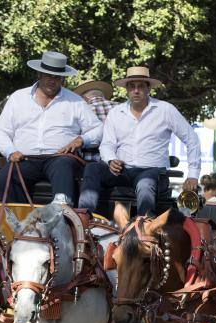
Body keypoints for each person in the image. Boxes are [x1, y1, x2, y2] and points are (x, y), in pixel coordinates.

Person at [78, 66, 201, 217]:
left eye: (140, 86)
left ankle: (145, 228)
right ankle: (84, 217)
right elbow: (107, 144)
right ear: (127, 89)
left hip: (153, 171)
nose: (136, 90)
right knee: (92, 169)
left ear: (148, 88)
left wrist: (193, 174)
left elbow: (192, 139)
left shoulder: (165, 110)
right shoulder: (116, 112)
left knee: (145, 183)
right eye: (132, 86)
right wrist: (111, 160)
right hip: (122, 170)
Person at [0, 51, 102, 205]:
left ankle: (63, 217)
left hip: (59, 158)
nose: (52, 80)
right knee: (6, 177)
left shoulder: (75, 101)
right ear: (39, 74)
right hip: (25, 158)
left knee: (63, 167)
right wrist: (10, 152)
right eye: (49, 75)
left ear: (63, 78)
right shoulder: (18, 98)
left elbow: (98, 129)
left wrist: (81, 140)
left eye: (57, 77)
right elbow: (1, 132)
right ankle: (19, 224)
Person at [73, 80, 120, 162]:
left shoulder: (81, 111)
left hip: (89, 162)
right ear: (102, 95)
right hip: (119, 161)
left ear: (84, 98)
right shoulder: (121, 107)